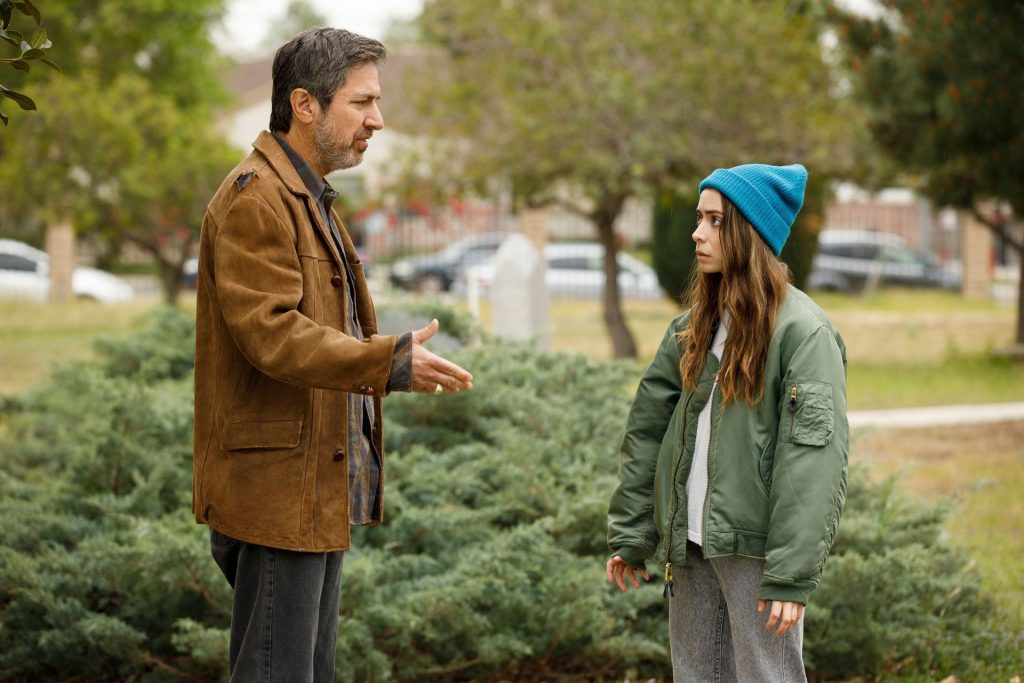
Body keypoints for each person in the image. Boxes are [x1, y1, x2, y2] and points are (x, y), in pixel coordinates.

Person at [192, 28, 473, 682]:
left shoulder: (306, 193)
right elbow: (273, 334)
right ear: (305, 104)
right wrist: (387, 361)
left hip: (310, 489)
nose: (378, 119)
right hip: (276, 497)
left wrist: (389, 358)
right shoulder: (255, 198)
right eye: (362, 102)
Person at [606, 163, 849, 682]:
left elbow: (812, 459)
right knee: (695, 673)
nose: (696, 233)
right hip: (689, 544)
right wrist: (632, 532)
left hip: (755, 549)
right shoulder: (693, 328)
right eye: (699, 218)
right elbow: (648, 426)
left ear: (749, 232)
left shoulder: (804, 334)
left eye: (714, 221)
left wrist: (790, 575)